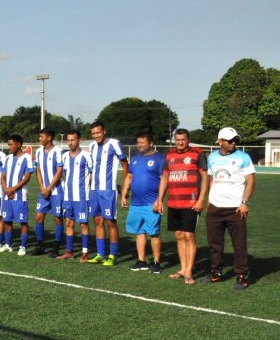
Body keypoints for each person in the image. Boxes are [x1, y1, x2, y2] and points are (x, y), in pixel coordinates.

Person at [205, 127, 256, 290]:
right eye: (230, 140)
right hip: (215, 207)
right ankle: (216, 272)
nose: (234, 143)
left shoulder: (243, 157)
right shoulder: (212, 157)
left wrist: (245, 203)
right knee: (215, 243)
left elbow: (251, 181)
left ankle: (242, 275)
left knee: (239, 244)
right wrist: (209, 201)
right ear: (220, 142)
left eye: (235, 140)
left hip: (236, 208)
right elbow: (212, 179)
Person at [158, 128, 208, 284]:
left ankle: (189, 271)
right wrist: (160, 199)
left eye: (183, 140)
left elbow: (205, 177)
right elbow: (165, 177)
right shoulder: (170, 155)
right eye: (177, 140)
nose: (180, 142)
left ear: (188, 139)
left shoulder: (197, 153)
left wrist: (201, 200)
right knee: (179, 235)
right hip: (174, 202)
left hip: (191, 203)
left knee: (189, 236)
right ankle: (182, 268)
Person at [120, 133, 166, 274]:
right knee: (139, 231)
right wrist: (124, 194)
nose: (139, 145)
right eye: (138, 142)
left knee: (154, 233)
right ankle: (142, 261)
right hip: (136, 203)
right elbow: (129, 177)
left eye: (142, 142)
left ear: (151, 143)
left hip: (151, 203)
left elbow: (164, 179)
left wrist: (159, 199)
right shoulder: (134, 159)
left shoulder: (159, 159)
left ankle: (157, 262)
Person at [87, 121, 128, 266]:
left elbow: (124, 165)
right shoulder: (92, 146)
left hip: (108, 190)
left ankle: (113, 255)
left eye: (98, 132)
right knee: (98, 221)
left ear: (104, 131)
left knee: (110, 221)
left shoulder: (114, 144)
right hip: (94, 190)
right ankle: (100, 254)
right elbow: (93, 168)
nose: (96, 136)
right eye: (93, 133)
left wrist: (125, 188)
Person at [56, 130, 93, 261]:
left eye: (73, 140)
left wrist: (87, 188)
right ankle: (69, 251)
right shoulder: (64, 156)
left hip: (82, 197)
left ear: (79, 140)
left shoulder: (86, 156)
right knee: (69, 223)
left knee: (83, 224)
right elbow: (64, 173)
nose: (70, 142)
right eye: (69, 140)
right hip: (68, 197)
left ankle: (84, 253)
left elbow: (91, 174)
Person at [0, 134, 33, 255]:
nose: (9, 147)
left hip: (20, 195)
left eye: (11, 144)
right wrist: (6, 190)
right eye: (8, 144)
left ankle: (22, 246)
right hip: (7, 195)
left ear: (18, 144)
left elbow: (27, 177)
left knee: (22, 221)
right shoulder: (7, 159)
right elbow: (2, 176)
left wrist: (12, 189)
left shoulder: (27, 158)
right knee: (7, 220)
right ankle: (8, 244)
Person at [34, 128, 64, 256]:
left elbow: (59, 171)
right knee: (39, 217)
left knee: (58, 218)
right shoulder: (39, 151)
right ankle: (40, 246)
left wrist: (49, 188)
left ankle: (56, 247)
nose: (40, 139)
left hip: (57, 191)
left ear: (49, 138)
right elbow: (38, 170)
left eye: (42, 137)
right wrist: (42, 188)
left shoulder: (58, 151)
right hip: (44, 191)